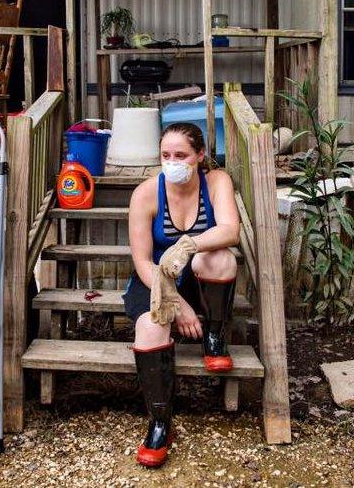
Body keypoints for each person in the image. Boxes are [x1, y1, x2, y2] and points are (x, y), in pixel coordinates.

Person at [123, 122, 240, 468]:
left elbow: (230, 230)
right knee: (149, 327)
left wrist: (188, 245)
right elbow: (142, 261)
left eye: (181, 155)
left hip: (199, 275)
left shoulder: (216, 182)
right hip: (155, 280)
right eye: (166, 155)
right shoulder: (145, 194)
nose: (172, 161)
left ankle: (214, 337)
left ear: (200, 155)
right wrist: (176, 303)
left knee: (218, 257)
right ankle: (160, 423)